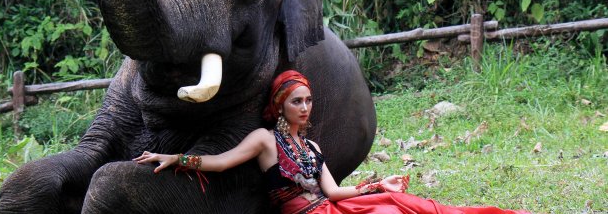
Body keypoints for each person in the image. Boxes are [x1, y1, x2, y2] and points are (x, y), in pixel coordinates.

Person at [134, 70, 529, 214]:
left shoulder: (314, 149)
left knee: (397, 205)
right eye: (296, 101)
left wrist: (378, 184)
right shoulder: (264, 141)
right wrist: (177, 158)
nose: (304, 108)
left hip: (329, 210)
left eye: (308, 101)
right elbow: (220, 162)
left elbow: (335, 193)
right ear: (279, 105)